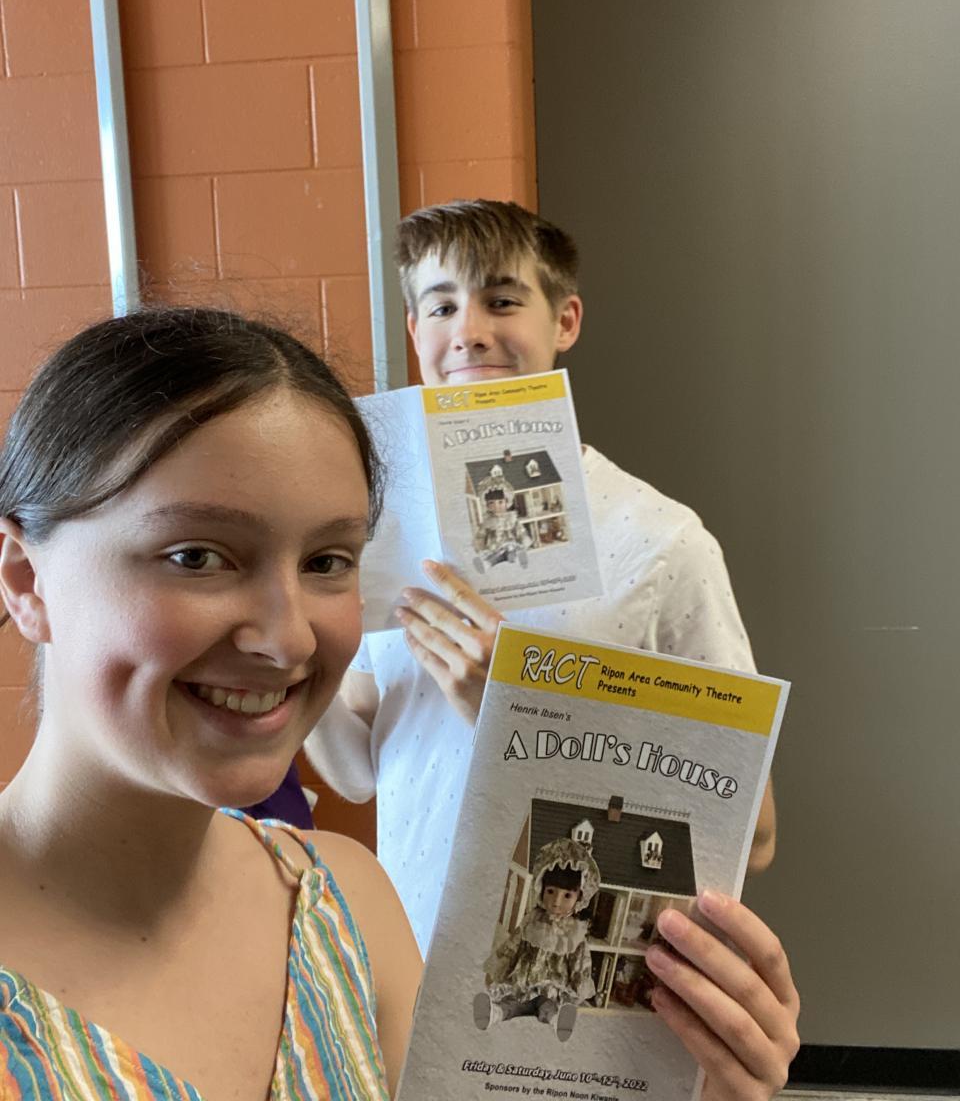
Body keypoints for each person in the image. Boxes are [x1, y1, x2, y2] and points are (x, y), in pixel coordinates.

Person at [306, 200, 798, 1099]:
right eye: (441, 305)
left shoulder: (660, 540)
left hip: (571, 1014)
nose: (468, 330)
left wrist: (522, 702)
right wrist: (302, 636)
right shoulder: (384, 538)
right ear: (414, 330)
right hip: (402, 975)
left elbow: (752, 832)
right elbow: (356, 771)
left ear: (564, 320)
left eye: (502, 300)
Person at [0, 307, 421, 1100]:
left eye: (327, 561)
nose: (288, 639)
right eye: (197, 556)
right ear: (27, 581)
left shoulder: (349, 909)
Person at [475, 837, 599, 1041]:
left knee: (547, 1007)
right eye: (551, 891)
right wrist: (497, 970)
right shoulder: (532, 920)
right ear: (541, 887)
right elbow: (513, 946)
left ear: (580, 897)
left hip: (552, 988)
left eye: (567, 896)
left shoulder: (575, 932)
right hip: (523, 982)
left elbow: (580, 964)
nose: (556, 901)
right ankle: (493, 1014)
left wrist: (578, 991)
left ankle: (558, 1022)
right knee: (513, 1002)